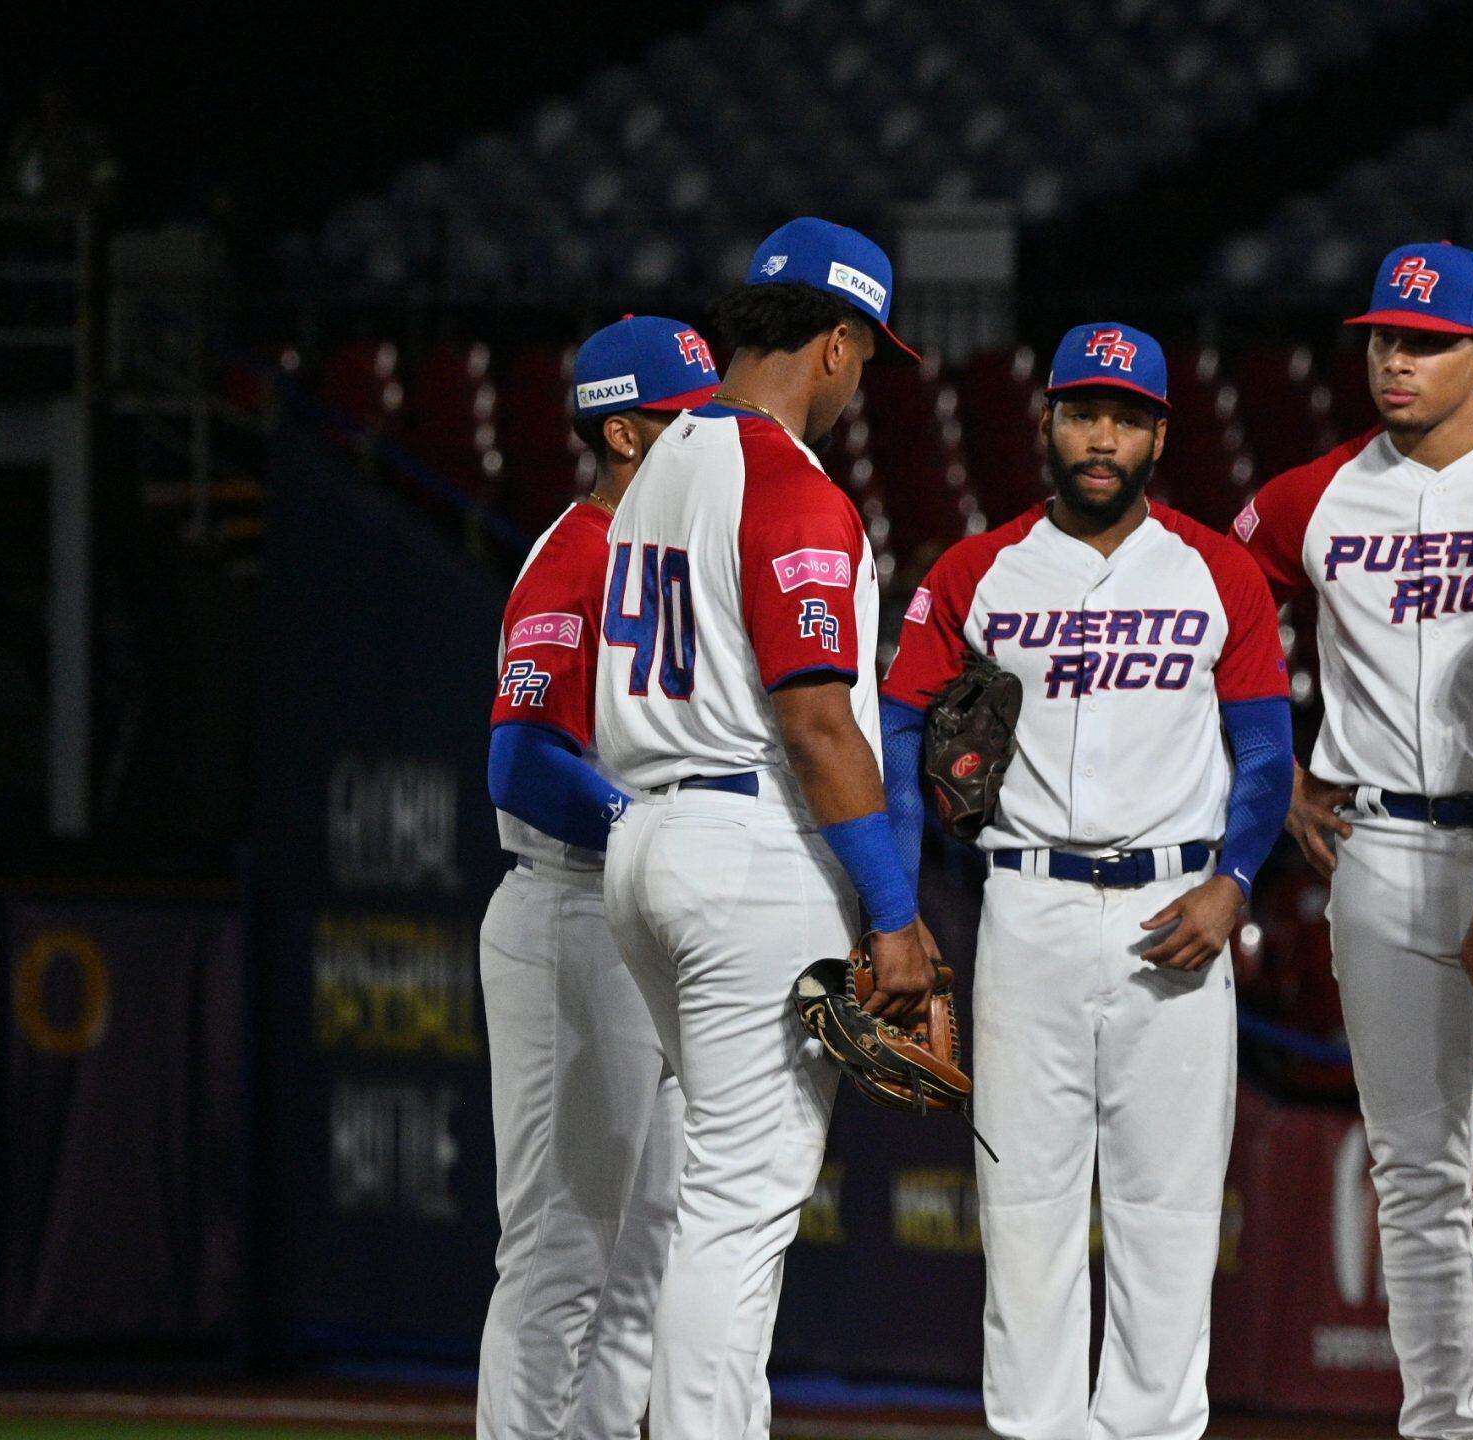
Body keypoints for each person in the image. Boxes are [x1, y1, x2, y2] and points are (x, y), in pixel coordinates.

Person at [1231, 241, 1473, 1440]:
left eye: (1426, 342)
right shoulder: (1307, 497)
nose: (1394, 362)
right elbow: (1210, 615)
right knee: (1413, 1168)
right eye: (1382, 341)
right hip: (1382, 845)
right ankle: (1439, 1425)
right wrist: (1276, 775)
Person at [881, 321, 1293, 1440]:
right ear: (1049, 422)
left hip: (1177, 910)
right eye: (1083, 413)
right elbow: (897, 726)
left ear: (1160, 434)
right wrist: (896, 900)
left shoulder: (1217, 570)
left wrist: (1236, 880)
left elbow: (1265, 750)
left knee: (1169, 1216)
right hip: (1029, 906)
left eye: (1125, 417)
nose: (1102, 437)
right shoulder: (976, 570)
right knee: (1025, 1212)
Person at [594, 217, 940, 1438]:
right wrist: (892, 909)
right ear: (836, 343)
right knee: (740, 1207)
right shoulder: (790, 486)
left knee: (711, 1191)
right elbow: (817, 723)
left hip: (644, 837)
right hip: (745, 846)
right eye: (867, 355)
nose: (861, 380)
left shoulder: (656, 468)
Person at [479, 315, 717, 1439]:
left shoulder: (672, 555)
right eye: (686, 420)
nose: (708, 438)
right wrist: (647, 826)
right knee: (561, 1253)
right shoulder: (578, 554)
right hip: (572, 905)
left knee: (642, 1263)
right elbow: (521, 762)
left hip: (649, 921)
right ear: (624, 433)